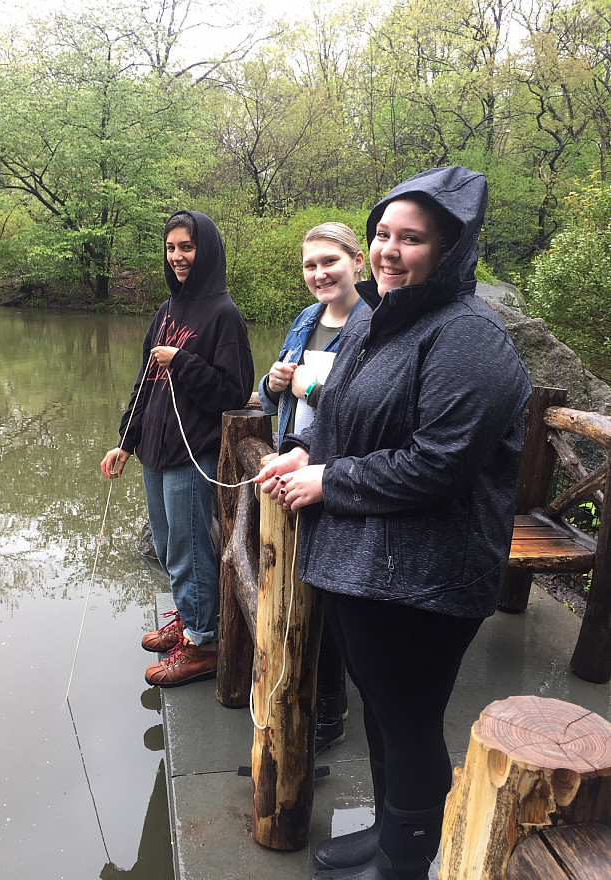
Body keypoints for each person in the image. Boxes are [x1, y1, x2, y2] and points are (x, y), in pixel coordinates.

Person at [254, 166, 531, 880]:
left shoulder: (470, 338)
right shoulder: (381, 320)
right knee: (378, 706)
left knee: (407, 720)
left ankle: (406, 861)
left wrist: (328, 478)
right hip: (360, 558)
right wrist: (302, 453)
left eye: (412, 239)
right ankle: (387, 831)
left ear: (451, 249)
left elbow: (439, 463)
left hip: (427, 575)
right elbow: (347, 419)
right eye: (382, 233)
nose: (388, 250)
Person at [101, 210, 254, 688]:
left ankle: (203, 642)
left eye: (186, 247)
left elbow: (233, 391)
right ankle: (189, 621)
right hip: (155, 450)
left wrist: (183, 361)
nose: (178, 256)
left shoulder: (224, 315)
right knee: (168, 546)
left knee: (190, 549)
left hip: (193, 453)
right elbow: (145, 385)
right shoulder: (165, 312)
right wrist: (125, 443)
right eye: (171, 248)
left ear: (204, 249)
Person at [259, 222, 366, 755]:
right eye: (310, 265)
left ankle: (330, 711)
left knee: (328, 596)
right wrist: (274, 382)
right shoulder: (307, 320)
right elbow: (273, 393)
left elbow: (372, 412)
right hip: (295, 460)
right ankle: (300, 693)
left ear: (357, 263)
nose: (320, 273)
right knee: (297, 585)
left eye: (330, 261)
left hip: (338, 475)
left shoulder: (373, 326)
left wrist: (313, 387)